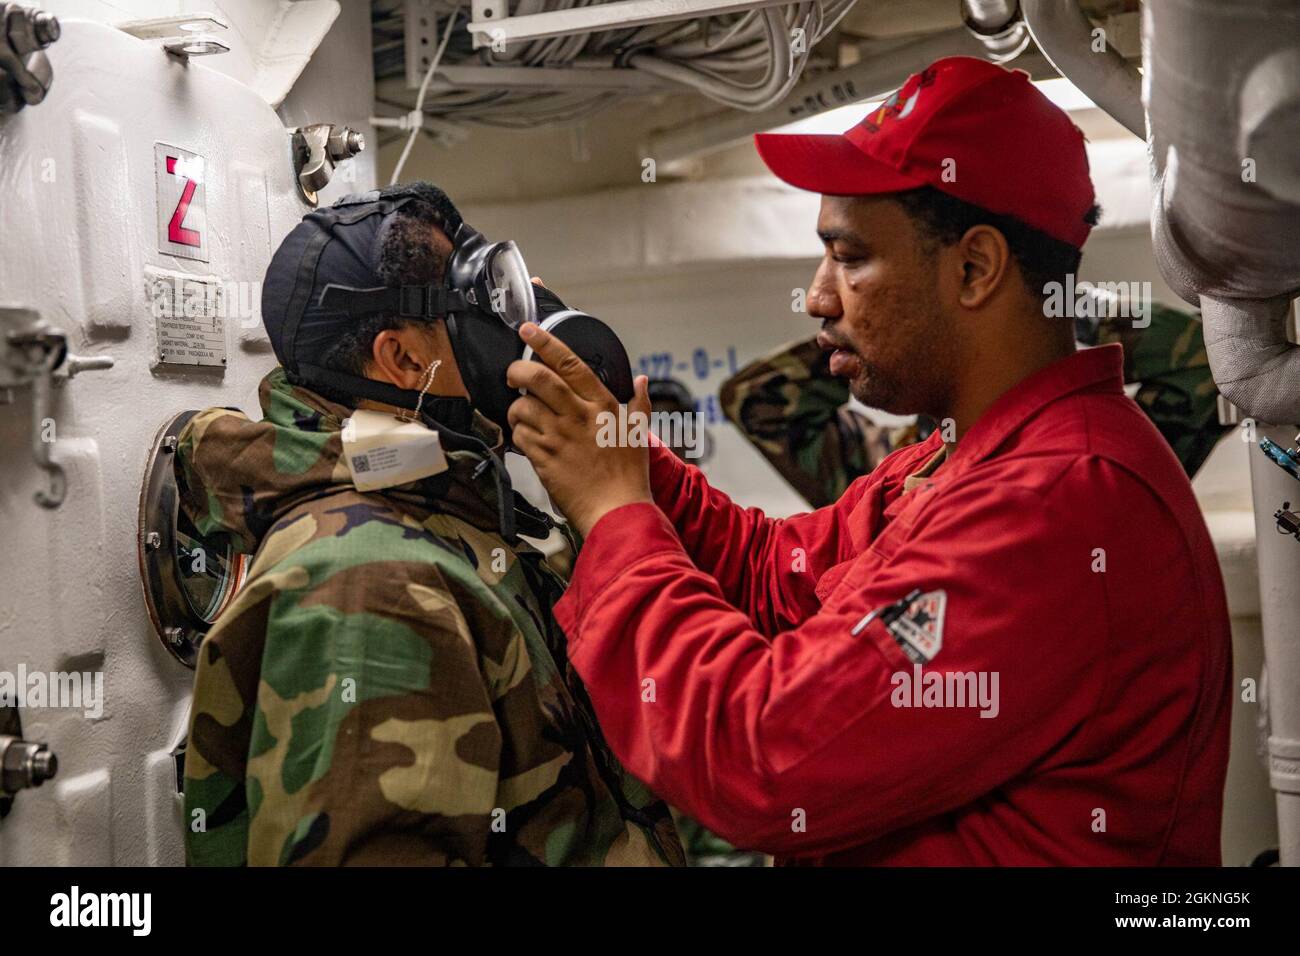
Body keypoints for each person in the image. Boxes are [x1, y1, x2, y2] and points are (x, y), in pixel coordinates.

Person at [505, 57, 1232, 865]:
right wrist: (613, 445)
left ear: (974, 268)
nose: (819, 297)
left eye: (849, 258)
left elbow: (760, 757)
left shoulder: (1054, 502)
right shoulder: (953, 462)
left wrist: (617, 515)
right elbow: (772, 577)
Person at [178, 182, 682, 867]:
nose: (508, 324)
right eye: (480, 304)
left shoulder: (451, 501)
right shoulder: (367, 584)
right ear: (406, 360)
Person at [721, 301, 1228, 508]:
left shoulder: (1089, 473)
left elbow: (1211, 365)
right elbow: (755, 399)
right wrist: (878, 327)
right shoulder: (881, 473)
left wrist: (1057, 312)